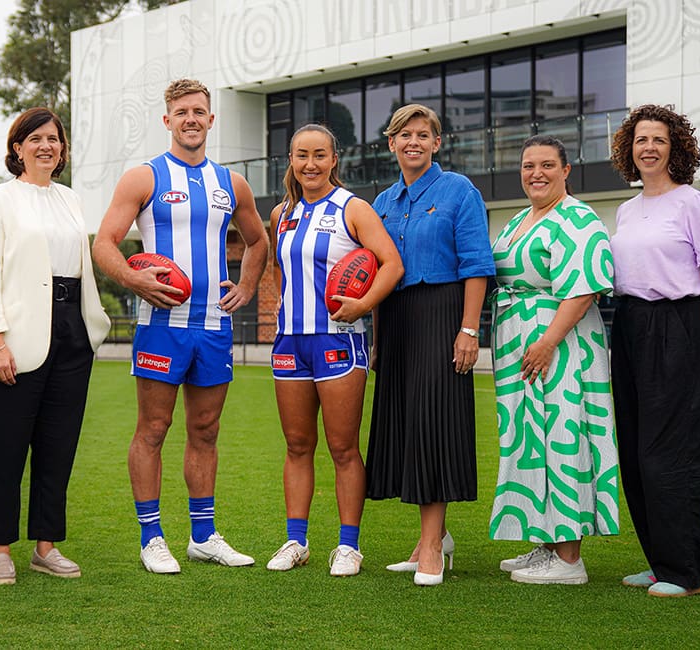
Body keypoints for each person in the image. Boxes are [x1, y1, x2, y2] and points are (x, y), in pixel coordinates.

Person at [92, 78, 269, 574]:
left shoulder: (232, 183)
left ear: (212, 119)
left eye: (199, 111)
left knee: (206, 431)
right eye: (182, 112)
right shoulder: (143, 178)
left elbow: (258, 241)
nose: (191, 119)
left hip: (213, 326)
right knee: (153, 428)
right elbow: (104, 243)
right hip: (161, 325)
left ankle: (203, 536)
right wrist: (133, 279)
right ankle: (152, 538)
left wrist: (247, 286)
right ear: (167, 120)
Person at [0, 108, 111, 585]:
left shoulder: (70, 199)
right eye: (35, 139)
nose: (46, 146)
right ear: (18, 148)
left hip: (72, 331)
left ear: (62, 149)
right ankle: (0, 549)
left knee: (58, 446)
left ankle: (46, 547)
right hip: (18, 334)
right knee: (6, 449)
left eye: (53, 139)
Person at [365, 104, 494, 586]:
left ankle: (433, 548)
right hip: (396, 320)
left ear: (437, 143)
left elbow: (477, 265)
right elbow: (376, 273)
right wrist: (377, 340)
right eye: (405, 135)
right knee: (407, 428)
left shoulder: (459, 190)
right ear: (392, 143)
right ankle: (429, 539)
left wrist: (469, 329)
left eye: (423, 135)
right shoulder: (383, 201)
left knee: (433, 425)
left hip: (443, 315)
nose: (414, 142)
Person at [265, 124, 403, 576]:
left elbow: (392, 264)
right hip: (290, 341)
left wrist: (363, 304)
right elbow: (280, 272)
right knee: (297, 445)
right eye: (302, 155)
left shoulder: (353, 208)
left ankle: (348, 545)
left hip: (338, 340)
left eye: (319, 155)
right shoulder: (281, 213)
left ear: (333, 160)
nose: (310, 164)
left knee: (343, 447)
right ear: (291, 160)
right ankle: (296, 541)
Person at [488, 135, 618, 584]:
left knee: (564, 433)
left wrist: (548, 342)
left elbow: (583, 288)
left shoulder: (577, 217)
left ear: (566, 170)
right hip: (522, 344)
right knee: (532, 439)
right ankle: (547, 541)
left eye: (547, 165)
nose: (536, 173)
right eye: (528, 166)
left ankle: (569, 558)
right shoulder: (520, 219)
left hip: (561, 345)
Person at [609, 104, 700, 598]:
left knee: (671, 452)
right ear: (629, 149)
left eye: (659, 139)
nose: (648, 147)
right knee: (635, 449)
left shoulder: (694, 203)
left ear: (676, 147)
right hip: (630, 324)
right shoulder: (627, 210)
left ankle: (688, 573)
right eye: (640, 140)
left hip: (679, 326)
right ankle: (660, 562)